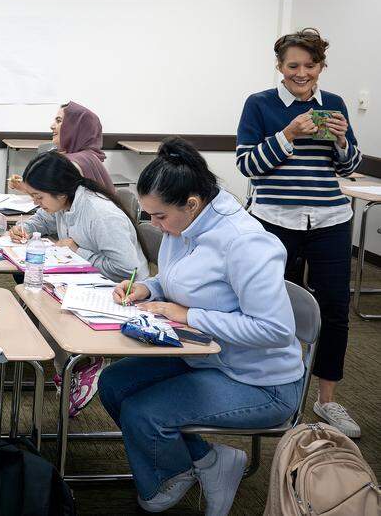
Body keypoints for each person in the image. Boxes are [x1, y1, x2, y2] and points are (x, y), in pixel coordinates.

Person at [101, 138, 304, 516]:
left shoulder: (245, 242)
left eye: (159, 217)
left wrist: (188, 316)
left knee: (144, 413)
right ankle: (209, 462)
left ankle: (169, 481)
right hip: (205, 357)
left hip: (260, 381)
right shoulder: (184, 226)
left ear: (192, 204)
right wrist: (148, 287)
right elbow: (180, 281)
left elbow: (275, 330)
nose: (154, 225)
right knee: (113, 384)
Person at [235, 28, 362, 438]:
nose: (302, 73)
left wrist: (342, 141)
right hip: (274, 219)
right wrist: (288, 135)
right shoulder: (260, 105)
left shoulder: (336, 105)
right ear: (280, 67)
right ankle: (272, 389)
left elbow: (348, 167)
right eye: (293, 66)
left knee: (335, 311)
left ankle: (327, 400)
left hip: (330, 220)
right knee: (272, 308)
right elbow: (247, 166)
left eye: (310, 65)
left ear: (321, 67)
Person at [6, 150, 148, 417]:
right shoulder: (66, 203)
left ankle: (82, 362)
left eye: (38, 197)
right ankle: (74, 366)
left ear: (60, 192)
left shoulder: (100, 213)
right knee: (40, 296)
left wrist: (79, 251)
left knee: (47, 305)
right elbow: (43, 217)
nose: (36, 202)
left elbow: (127, 270)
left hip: (122, 293)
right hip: (87, 281)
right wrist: (25, 227)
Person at [10, 102, 114, 193]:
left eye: (59, 121)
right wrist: (27, 188)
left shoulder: (72, 163)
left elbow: (56, 202)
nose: (52, 126)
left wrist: (30, 189)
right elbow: (57, 198)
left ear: (75, 129)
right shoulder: (88, 157)